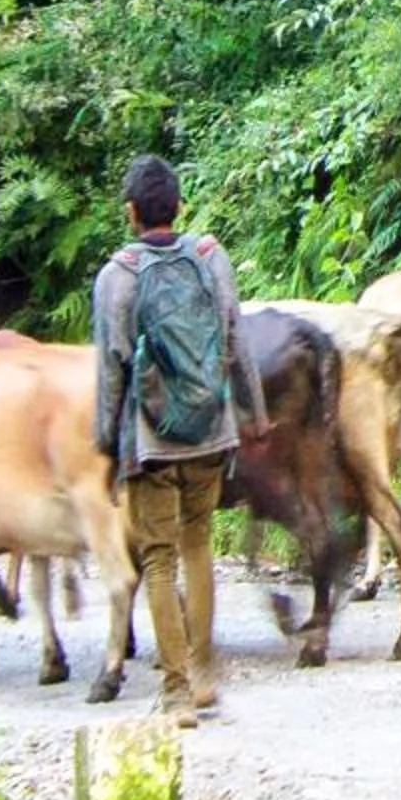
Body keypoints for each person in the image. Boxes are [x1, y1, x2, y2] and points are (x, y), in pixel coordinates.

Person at [92, 155, 266, 728]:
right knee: (198, 546)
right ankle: (204, 673)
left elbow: (112, 369)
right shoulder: (210, 258)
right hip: (211, 430)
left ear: (131, 212)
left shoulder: (117, 276)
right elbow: (235, 337)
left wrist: (106, 449)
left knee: (159, 561)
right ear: (179, 206)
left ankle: (175, 694)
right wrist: (253, 412)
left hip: (152, 440)